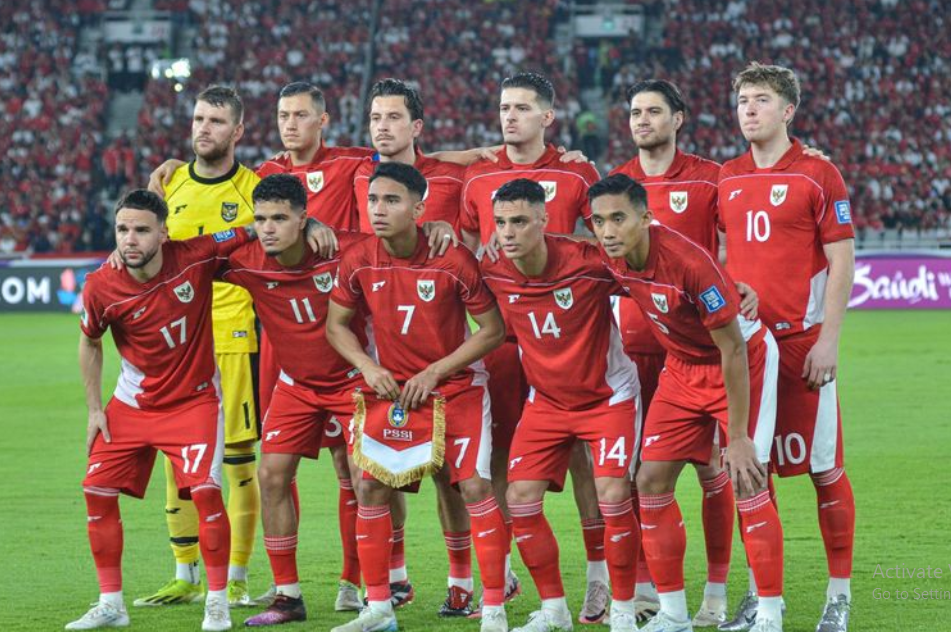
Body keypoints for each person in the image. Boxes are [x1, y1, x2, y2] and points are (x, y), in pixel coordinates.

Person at [589, 174, 785, 632]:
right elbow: (559, 250)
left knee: (748, 477)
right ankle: (674, 615)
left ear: (646, 217)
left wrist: (736, 438)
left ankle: (770, 615)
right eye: (599, 221)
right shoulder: (608, 256)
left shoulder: (687, 262)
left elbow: (733, 347)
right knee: (651, 479)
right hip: (681, 367)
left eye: (618, 218)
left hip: (739, 360)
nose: (608, 230)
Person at [326, 162, 510, 632]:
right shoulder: (360, 257)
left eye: (391, 200)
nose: (378, 210)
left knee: (471, 486)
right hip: (393, 389)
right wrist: (368, 365)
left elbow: (492, 330)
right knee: (369, 485)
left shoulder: (452, 258)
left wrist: (435, 370)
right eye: (372, 200)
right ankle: (379, 609)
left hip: (457, 386)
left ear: (419, 208)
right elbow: (336, 326)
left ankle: (491, 608)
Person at [459, 71, 610, 623]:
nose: (510, 116)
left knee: (580, 457)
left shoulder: (575, 173)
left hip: (567, 338)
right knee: (499, 453)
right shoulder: (477, 176)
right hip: (501, 335)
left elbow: (607, 241)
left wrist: (546, 238)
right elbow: (467, 250)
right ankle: (502, 578)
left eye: (522, 108)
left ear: (548, 117)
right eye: (504, 107)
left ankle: (598, 579)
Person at [69, 189, 256, 631]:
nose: (129, 239)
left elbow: (250, 229)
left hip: (192, 402)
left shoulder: (194, 255)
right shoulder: (101, 285)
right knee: (95, 491)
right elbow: (90, 342)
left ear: (163, 233)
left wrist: (307, 225)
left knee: (207, 492)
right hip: (132, 404)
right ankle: (111, 604)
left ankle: (216, 603)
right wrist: (96, 409)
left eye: (140, 230)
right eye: (122, 230)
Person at [718, 62, 856, 632]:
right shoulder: (726, 177)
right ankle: (759, 596)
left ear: (788, 111)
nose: (749, 109)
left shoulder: (819, 175)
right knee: (753, 473)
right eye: (743, 100)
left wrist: (828, 341)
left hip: (801, 349)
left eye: (761, 100)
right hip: (748, 351)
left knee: (824, 469)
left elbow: (843, 262)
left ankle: (838, 597)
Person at [480, 179, 642, 632]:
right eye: (501, 223)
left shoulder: (589, 263)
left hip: (607, 397)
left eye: (519, 222)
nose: (508, 233)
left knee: (612, 495)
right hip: (547, 402)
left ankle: (624, 612)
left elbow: (652, 272)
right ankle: (555, 611)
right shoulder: (492, 269)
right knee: (520, 499)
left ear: (544, 221)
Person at [352, 77, 484, 617]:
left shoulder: (454, 175)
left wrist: (458, 236)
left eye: (393, 117)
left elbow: (502, 164)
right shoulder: (358, 170)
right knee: (380, 474)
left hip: (445, 347)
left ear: (417, 126)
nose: (382, 127)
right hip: (379, 348)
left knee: (460, 480)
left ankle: (472, 580)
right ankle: (395, 581)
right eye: (375, 118)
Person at [610, 79, 734, 626]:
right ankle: (644, 589)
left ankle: (715, 590)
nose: (642, 120)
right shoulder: (615, 185)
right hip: (636, 348)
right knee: (641, 472)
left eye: (653, 111)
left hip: (699, 349)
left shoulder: (712, 179)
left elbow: (742, 241)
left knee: (714, 471)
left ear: (678, 118)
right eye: (635, 112)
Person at [134, 85, 263, 609]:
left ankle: (235, 576)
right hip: (177, 344)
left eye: (215, 121)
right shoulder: (168, 185)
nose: (202, 129)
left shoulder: (258, 187)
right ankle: (184, 572)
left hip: (234, 336)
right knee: (176, 459)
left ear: (237, 132)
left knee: (236, 462)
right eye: (198, 119)